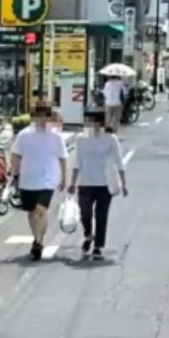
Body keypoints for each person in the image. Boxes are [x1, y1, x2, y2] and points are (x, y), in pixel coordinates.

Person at [7, 106, 69, 260]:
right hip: (27, 179)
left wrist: (64, 178)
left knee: (40, 210)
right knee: (31, 212)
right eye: (38, 117)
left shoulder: (56, 136)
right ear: (33, 118)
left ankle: (39, 242)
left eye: (45, 117)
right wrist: (14, 173)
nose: (42, 120)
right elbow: (15, 154)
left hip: (48, 179)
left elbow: (63, 157)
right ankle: (37, 237)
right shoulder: (24, 135)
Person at [69, 110, 127, 260]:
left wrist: (123, 183)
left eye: (92, 122)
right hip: (85, 182)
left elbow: (119, 162)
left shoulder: (110, 139)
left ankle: (98, 247)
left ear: (100, 123)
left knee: (101, 215)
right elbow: (77, 161)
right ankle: (88, 234)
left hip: (104, 184)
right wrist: (72, 183)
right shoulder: (80, 139)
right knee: (85, 213)